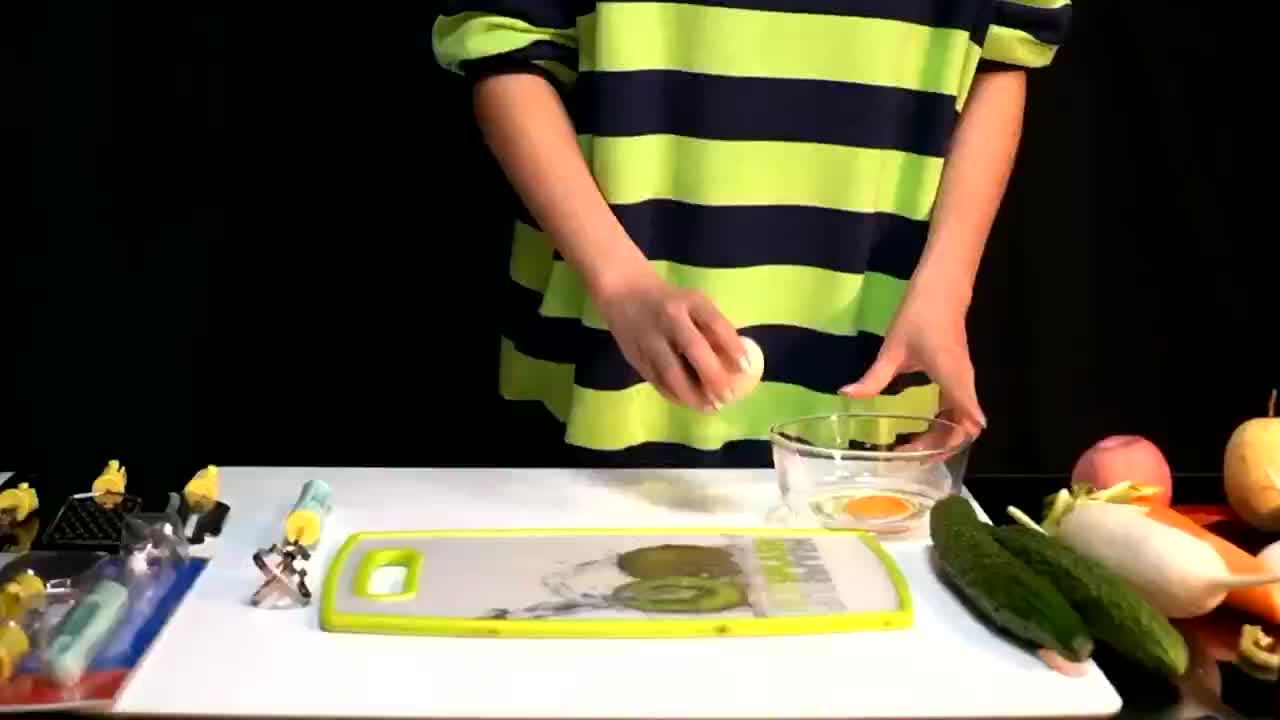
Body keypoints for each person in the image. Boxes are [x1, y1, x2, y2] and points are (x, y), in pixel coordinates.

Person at [433, 0, 1071, 467]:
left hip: (875, 351)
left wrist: (948, 287)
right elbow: (503, 44)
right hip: (613, 351)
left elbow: (1003, 52)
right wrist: (620, 283)